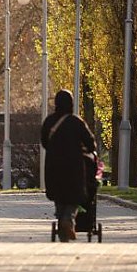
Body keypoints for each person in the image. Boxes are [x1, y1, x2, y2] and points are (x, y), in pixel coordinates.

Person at [41, 89, 97, 243]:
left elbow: (44, 141)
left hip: (53, 166)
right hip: (74, 166)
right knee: (74, 196)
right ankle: (68, 219)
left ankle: (62, 222)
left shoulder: (49, 122)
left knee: (59, 195)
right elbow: (91, 144)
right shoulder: (76, 122)